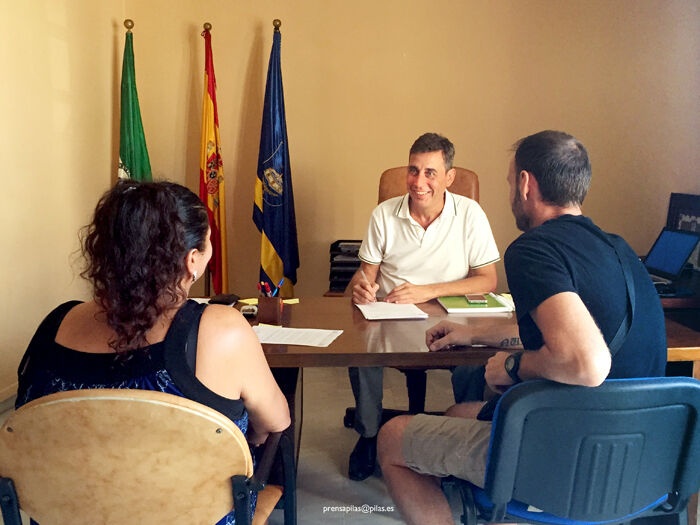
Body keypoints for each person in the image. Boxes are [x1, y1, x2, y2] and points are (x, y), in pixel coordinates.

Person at [377, 130, 667, 525]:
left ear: (526, 184)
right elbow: (562, 329)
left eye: (511, 182)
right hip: (641, 456)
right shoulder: (620, 249)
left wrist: (512, 366)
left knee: (392, 438)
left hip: (567, 453)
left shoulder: (534, 249)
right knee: (457, 411)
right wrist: (474, 334)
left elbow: (587, 362)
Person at [15, 180, 291, 525]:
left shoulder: (56, 323)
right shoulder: (223, 329)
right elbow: (276, 421)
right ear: (192, 260)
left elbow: (26, 426)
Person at [346, 132, 501, 481]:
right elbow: (366, 272)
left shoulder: (470, 214)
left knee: (474, 359)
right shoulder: (384, 214)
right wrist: (362, 286)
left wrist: (428, 291)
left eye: (430, 173)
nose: (419, 182)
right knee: (361, 353)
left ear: (449, 177)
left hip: (450, 318)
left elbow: (487, 279)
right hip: (391, 315)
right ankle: (368, 434)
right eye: (413, 170)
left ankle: (463, 436)